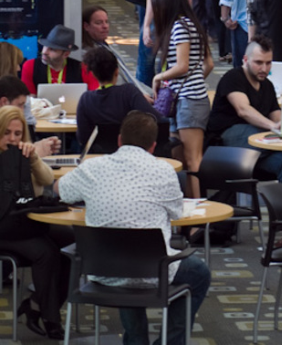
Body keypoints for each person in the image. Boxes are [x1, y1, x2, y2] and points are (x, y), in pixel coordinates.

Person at [59, 110, 211, 345]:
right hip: (152, 272)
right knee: (198, 274)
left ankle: (136, 340)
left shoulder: (92, 168)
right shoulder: (163, 171)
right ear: (152, 146)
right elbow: (176, 213)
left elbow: (61, 190)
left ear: (120, 140)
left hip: (102, 270)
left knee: (124, 260)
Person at [0, 105, 67, 339]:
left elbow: (47, 180)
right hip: (4, 230)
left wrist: (34, 158)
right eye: (7, 133)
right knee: (46, 252)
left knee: (70, 242)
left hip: (25, 224)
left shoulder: (23, 155)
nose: (12, 139)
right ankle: (50, 318)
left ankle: (39, 304)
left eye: (18, 134)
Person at [206, 37, 282, 197]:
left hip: (257, 150)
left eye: (268, 63)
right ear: (245, 60)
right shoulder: (233, 77)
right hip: (226, 143)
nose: (264, 68)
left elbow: (277, 116)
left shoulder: (267, 85)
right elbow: (243, 109)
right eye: (258, 62)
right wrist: (273, 127)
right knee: (273, 139)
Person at [151, 0, 213, 196]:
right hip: (191, 98)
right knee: (181, 158)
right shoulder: (193, 24)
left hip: (189, 101)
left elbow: (182, 65)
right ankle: (188, 207)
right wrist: (194, 81)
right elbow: (209, 64)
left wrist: (160, 76)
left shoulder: (179, 27)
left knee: (192, 159)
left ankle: (196, 216)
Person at [76, 48, 166, 148]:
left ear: (93, 74)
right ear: (117, 71)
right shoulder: (128, 92)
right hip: (131, 151)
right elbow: (156, 119)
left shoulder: (86, 99)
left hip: (98, 154)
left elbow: (83, 138)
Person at [21, 24, 99, 94]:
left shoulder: (82, 68)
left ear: (66, 54)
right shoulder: (30, 66)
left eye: (52, 49)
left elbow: (96, 95)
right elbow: (29, 100)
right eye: (45, 46)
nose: (44, 52)